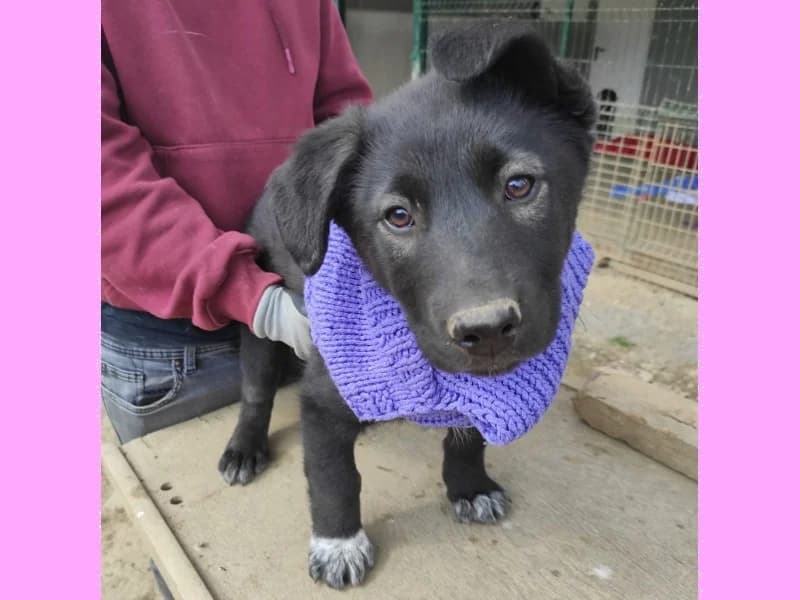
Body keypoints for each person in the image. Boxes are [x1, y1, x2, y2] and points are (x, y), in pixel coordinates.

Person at [101, 0, 373, 444]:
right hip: (173, 341)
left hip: (309, 305)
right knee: (194, 505)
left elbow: (343, 120)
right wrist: (244, 290)